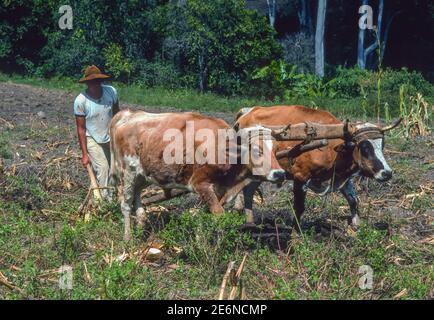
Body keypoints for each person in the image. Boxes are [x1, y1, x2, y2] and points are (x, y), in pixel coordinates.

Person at [74, 65, 120, 198]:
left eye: (97, 81)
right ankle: (106, 204)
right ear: (87, 83)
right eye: (92, 82)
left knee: (114, 169)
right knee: (103, 168)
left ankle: (103, 197)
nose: (95, 84)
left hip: (110, 136)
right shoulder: (81, 101)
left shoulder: (111, 92)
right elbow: (81, 129)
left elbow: (117, 114)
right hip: (92, 138)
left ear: (101, 81)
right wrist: (84, 154)